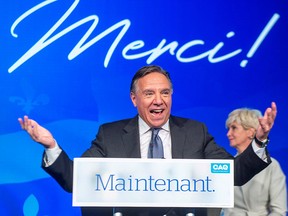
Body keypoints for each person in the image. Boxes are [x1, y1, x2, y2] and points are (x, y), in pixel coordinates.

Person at [18, 65, 277, 216]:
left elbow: (233, 174)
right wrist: (52, 146)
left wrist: (259, 141)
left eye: (165, 93)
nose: (158, 100)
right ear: (134, 99)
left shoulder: (195, 131)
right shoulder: (110, 135)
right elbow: (80, 180)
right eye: (150, 93)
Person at [221, 108, 287, 216]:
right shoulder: (227, 167)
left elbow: (279, 211)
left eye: (234, 128)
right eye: (228, 129)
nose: (228, 134)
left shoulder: (272, 166)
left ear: (251, 132)